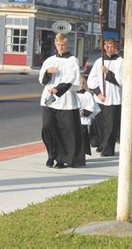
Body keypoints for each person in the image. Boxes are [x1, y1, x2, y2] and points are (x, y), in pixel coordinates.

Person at [39, 33, 84, 168]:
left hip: (66, 101)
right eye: (58, 44)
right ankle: (51, 154)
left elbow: (72, 79)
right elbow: (42, 79)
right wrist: (47, 72)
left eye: (63, 44)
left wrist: (58, 89)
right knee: (47, 128)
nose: (60, 47)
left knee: (65, 131)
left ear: (67, 44)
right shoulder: (49, 60)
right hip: (49, 100)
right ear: (55, 44)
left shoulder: (72, 61)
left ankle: (63, 159)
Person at [87, 37, 123, 157]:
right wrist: (98, 93)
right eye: (107, 46)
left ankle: (108, 149)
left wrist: (107, 72)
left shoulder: (120, 61)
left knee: (111, 126)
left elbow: (121, 80)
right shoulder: (99, 61)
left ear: (115, 47)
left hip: (113, 99)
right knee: (99, 125)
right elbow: (91, 80)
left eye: (111, 46)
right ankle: (102, 145)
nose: (109, 48)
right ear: (104, 47)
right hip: (100, 99)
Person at [77, 76, 100, 156]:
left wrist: (83, 112)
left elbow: (92, 107)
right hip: (73, 120)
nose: (81, 85)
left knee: (83, 137)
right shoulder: (72, 94)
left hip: (83, 120)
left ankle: (83, 153)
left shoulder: (87, 95)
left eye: (83, 83)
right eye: (80, 83)